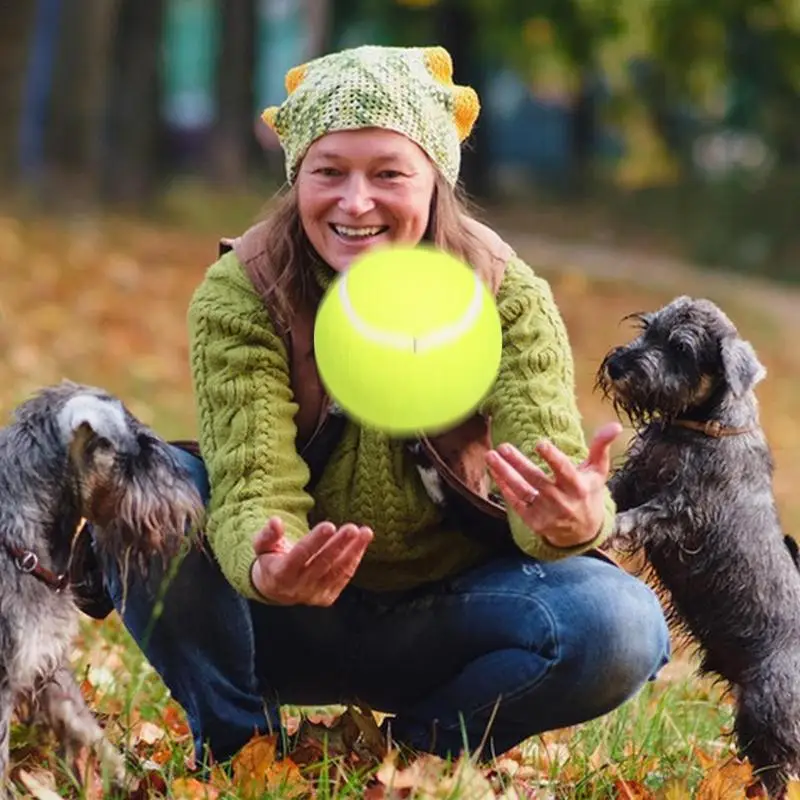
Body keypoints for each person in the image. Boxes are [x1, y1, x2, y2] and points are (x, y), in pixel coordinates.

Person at [97, 44, 670, 768]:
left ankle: (410, 757)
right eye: (328, 172)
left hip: (453, 617)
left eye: (388, 174)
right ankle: (246, 751)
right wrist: (266, 562)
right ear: (297, 177)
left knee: (620, 625)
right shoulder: (245, 291)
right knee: (137, 500)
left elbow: (541, 487)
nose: (355, 202)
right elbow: (252, 482)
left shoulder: (505, 294)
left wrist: (573, 519)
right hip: (282, 618)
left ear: (434, 181)